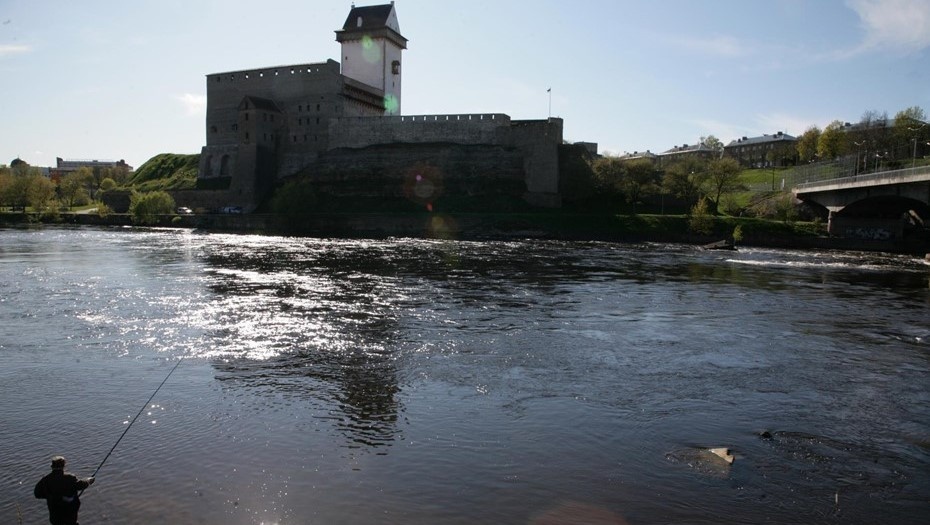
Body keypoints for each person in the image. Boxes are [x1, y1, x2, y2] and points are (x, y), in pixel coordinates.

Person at [34, 456, 95, 525]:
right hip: (70, 515)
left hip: (55, 517)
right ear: (64, 465)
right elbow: (80, 485)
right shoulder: (70, 477)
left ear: (51, 466)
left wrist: (50, 496)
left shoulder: (46, 479)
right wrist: (89, 480)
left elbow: (37, 494)